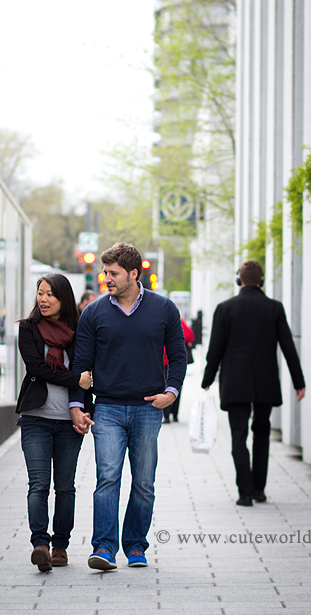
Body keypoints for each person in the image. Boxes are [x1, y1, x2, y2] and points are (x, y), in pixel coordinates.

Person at [70, 243, 187, 571]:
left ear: (134, 274)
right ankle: (104, 549)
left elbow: (178, 356)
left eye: (113, 273)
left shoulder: (164, 309)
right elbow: (82, 363)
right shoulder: (94, 312)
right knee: (107, 477)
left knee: (144, 482)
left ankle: (135, 545)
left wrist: (171, 393)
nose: (106, 278)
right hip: (107, 408)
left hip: (149, 409)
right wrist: (77, 405)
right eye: (105, 272)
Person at [201, 259, 306, 507]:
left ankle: (245, 493)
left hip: (235, 381)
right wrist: (298, 381)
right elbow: (288, 347)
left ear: (239, 280)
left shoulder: (225, 308)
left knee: (239, 435)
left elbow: (214, 349)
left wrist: (207, 380)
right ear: (261, 281)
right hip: (265, 379)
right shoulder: (275, 308)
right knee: (262, 432)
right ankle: (259, 489)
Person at [15, 274, 93, 572]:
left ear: (63, 298)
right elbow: (37, 368)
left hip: (69, 422)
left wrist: (87, 406)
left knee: (66, 487)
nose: (43, 299)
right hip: (36, 418)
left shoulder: (78, 331)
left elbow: (89, 370)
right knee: (38, 485)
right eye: (39, 293)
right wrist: (76, 379)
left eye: (50, 294)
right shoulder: (28, 329)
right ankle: (40, 545)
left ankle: (61, 546)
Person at [163, 317, 195, 423]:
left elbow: (190, 336)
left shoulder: (177, 320)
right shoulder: (178, 320)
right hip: (165, 360)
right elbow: (190, 336)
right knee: (174, 386)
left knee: (170, 386)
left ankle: (170, 414)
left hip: (170, 360)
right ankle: (171, 414)